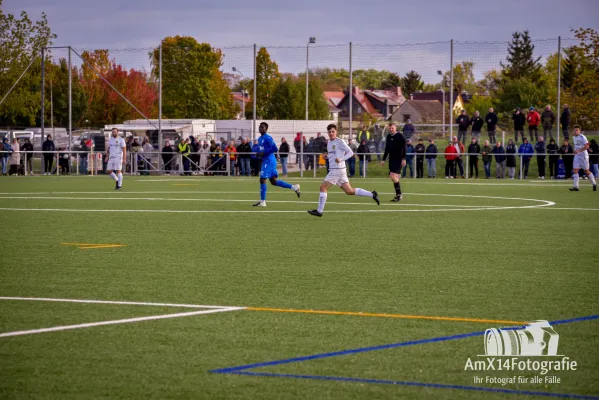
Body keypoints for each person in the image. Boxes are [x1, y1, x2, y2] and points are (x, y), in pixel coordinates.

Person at [308, 124, 379, 217]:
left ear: (336, 132)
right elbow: (333, 155)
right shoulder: (329, 142)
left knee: (323, 187)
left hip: (337, 170)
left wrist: (341, 159)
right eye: (329, 132)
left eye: (333, 131)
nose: (331, 133)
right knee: (349, 191)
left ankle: (319, 211)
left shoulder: (340, 142)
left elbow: (351, 152)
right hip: (339, 170)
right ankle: (372, 194)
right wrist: (327, 156)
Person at [253, 122, 301, 207]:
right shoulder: (260, 138)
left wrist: (263, 153)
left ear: (266, 129)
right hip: (266, 161)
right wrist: (259, 153)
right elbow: (264, 150)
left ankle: (262, 202)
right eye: (260, 127)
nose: (260, 128)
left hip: (269, 161)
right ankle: (294, 187)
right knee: (273, 182)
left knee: (262, 179)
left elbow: (274, 148)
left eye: (262, 127)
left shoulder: (268, 137)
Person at [380, 122, 407, 202]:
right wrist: (383, 159)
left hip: (398, 158)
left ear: (395, 128)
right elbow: (387, 149)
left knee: (392, 175)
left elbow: (404, 147)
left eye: (392, 128)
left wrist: (403, 158)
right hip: (392, 159)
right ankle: (398, 194)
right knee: (395, 176)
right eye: (390, 128)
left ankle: (399, 194)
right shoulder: (388, 136)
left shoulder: (400, 136)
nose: (391, 129)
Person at [569, 125, 597, 192]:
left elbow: (587, 146)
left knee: (586, 171)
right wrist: (574, 150)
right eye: (574, 130)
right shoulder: (573, 137)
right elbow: (576, 146)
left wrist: (579, 151)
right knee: (575, 170)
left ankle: (594, 184)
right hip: (577, 156)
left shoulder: (583, 137)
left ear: (579, 131)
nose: (575, 131)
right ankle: (576, 186)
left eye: (577, 130)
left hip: (583, 156)